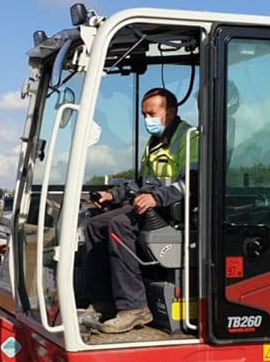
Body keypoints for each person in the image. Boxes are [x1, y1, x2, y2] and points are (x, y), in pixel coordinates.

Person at [83, 87, 198, 334]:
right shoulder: (154, 143)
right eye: (144, 115)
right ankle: (103, 301)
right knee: (95, 226)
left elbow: (193, 183)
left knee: (119, 226)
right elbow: (140, 183)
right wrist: (112, 195)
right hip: (148, 204)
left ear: (170, 112)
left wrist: (156, 198)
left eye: (151, 114)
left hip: (172, 209)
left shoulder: (190, 139)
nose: (147, 120)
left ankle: (134, 307)